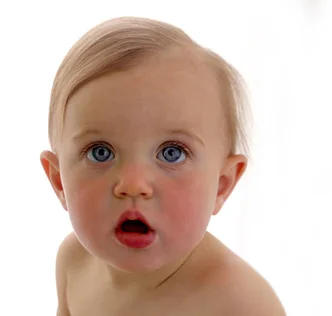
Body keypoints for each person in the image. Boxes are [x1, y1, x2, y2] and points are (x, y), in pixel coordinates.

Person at [40, 16, 286, 316]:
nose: (133, 184)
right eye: (100, 152)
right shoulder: (74, 262)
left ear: (221, 184)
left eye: (171, 153)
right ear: (60, 181)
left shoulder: (238, 302)